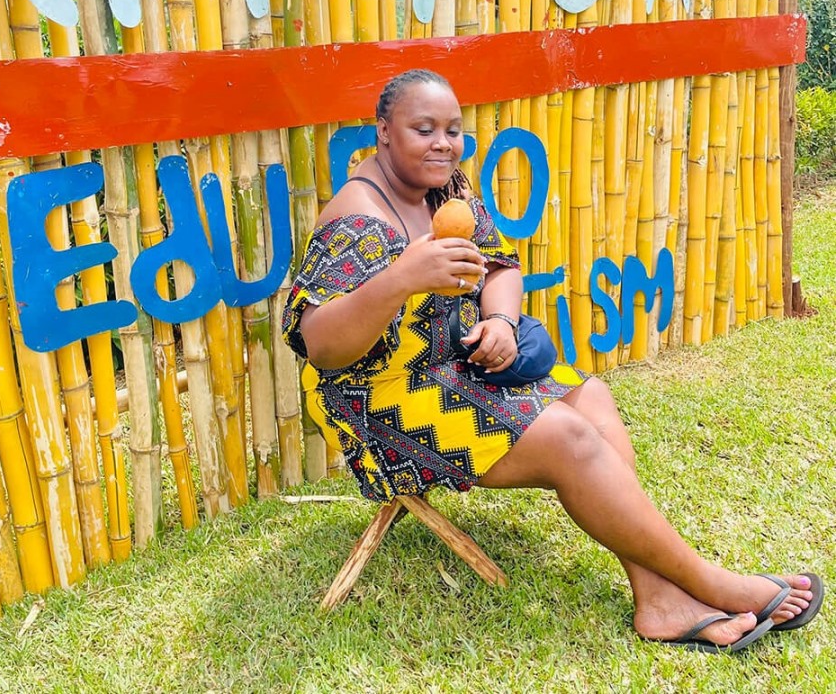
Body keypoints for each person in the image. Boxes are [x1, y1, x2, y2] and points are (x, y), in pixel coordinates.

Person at [282, 68, 824, 652]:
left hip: (452, 365)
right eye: (424, 129)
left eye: (453, 130)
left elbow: (500, 265)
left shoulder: (445, 192)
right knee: (568, 436)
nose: (443, 143)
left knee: (590, 396)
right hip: (377, 404)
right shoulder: (358, 221)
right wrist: (399, 279)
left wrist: (500, 321)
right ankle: (714, 583)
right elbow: (320, 344)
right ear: (384, 131)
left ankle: (658, 597)